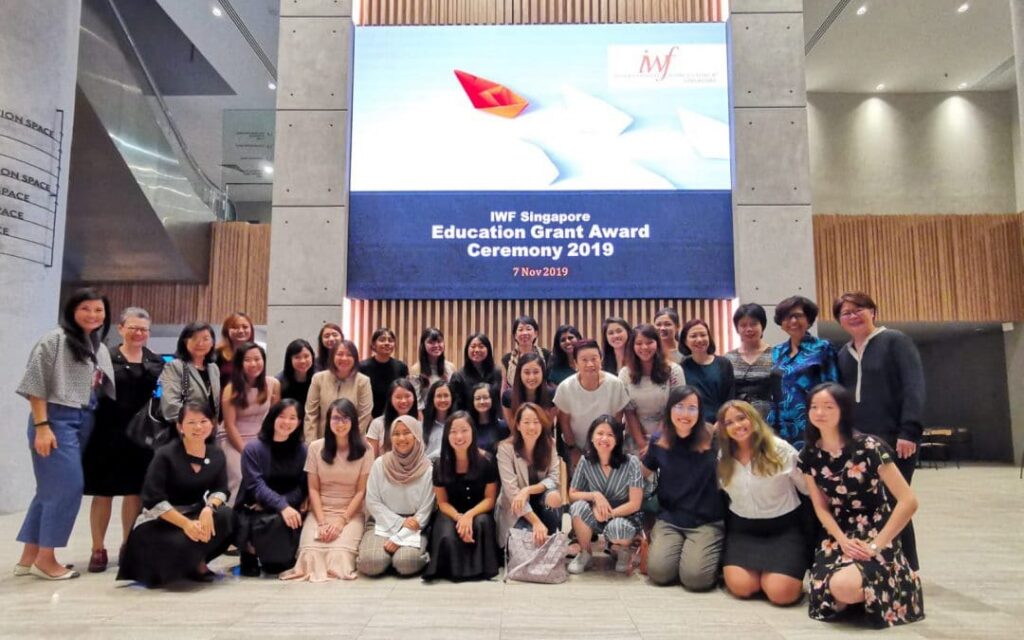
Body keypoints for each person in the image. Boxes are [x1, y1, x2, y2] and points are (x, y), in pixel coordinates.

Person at [798, 383, 924, 627]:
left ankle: (895, 578)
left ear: (843, 410)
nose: (819, 413)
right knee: (829, 596)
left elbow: (909, 501)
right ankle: (866, 593)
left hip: (877, 529)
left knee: (844, 588)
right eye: (814, 407)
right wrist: (842, 540)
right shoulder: (809, 455)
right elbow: (821, 507)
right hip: (839, 533)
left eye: (828, 406)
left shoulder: (869, 447)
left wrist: (876, 545)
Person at [14, 288, 115, 580]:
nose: (93, 315)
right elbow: (35, 385)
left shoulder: (96, 344)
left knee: (49, 490)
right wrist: (42, 426)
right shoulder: (54, 340)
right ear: (72, 310)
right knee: (68, 488)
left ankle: (29, 557)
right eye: (86, 308)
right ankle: (47, 559)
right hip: (55, 419)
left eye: (98, 310)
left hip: (84, 418)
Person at [833, 291, 926, 571]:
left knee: (896, 502)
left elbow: (914, 387)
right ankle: (877, 562)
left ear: (873, 311)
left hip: (895, 439)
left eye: (858, 309)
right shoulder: (843, 354)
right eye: (845, 312)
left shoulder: (895, 341)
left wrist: (909, 430)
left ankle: (906, 566)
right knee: (870, 502)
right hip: (858, 441)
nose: (852, 315)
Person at [82, 307, 164, 573]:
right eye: (133, 327)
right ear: (121, 329)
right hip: (106, 434)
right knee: (103, 493)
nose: (138, 333)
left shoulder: (156, 362)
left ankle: (129, 544)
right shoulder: (105, 357)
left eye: (144, 329)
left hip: (141, 437)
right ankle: (98, 548)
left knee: (134, 492)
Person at [117, 402, 234, 587]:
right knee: (184, 539)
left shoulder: (216, 454)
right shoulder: (165, 455)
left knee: (227, 517)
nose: (198, 427)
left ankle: (198, 562)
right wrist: (186, 524)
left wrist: (209, 509)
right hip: (158, 521)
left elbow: (221, 489)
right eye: (191, 422)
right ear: (180, 427)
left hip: (192, 513)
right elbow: (153, 499)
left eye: (203, 421)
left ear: (212, 424)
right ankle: (169, 568)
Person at [716, 400, 808, 605]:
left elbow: (806, 488)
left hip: (783, 527)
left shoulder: (781, 450)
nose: (737, 426)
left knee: (781, 593)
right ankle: (761, 577)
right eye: (729, 422)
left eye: (741, 418)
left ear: (754, 419)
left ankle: (776, 577)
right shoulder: (724, 456)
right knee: (742, 588)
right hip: (744, 528)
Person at [642, 386, 724, 591]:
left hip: (706, 520)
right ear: (670, 409)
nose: (685, 414)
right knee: (659, 574)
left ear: (700, 411)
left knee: (696, 580)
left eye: (692, 408)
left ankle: (709, 555)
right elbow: (640, 474)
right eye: (679, 407)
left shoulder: (714, 438)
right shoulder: (659, 440)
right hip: (670, 519)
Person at [281, 399, 372, 581]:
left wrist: (341, 521)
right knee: (309, 555)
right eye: (336, 418)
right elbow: (313, 489)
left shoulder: (366, 449)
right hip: (320, 511)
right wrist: (322, 522)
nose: (340, 424)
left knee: (339, 556)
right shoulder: (315, 448)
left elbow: (361, 492)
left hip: (350, 513)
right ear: (328, 421)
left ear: (353, 421)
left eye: (345, 419)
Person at [422, 412, 500, 582]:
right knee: (445, 532)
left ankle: (481, 570)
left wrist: (469, 515)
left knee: (482, 523)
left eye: (464, 430)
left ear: (472, 432)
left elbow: (490, 500)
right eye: (453, 431)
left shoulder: (487, 461)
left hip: (479, 511)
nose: (459, 436)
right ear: (446, 435)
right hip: (450, 512)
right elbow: (442, 502)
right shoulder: (440, 464)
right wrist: (459, 517)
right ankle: (451, 570)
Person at [235, 399, 308, 577]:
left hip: (288, 510)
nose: (287, 422)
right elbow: (255, 485)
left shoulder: (303, 450)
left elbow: (302, 486)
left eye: (293, 418)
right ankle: (249, 551)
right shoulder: (253, 448)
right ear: (272, 418)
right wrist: (281, 506)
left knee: (278, 566)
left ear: (299, 422)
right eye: (282, 416)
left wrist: (283, 506)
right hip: (254, 507)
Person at [358, 415, 435, 577]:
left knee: (406, 563)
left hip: (415, 526)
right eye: (396, 434)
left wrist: (400, 536)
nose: (401, 438)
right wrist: (399, 522)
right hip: (381, 522)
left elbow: (425, 511)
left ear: (416, 435)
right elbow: (372, 502)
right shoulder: (380, 464)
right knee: (371, 563)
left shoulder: (428, 469)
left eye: (407, 433)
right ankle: (386, 558)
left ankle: (399, 556)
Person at [567, 416, 643, 574]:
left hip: (623, 515)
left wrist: (609, 514)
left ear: (617, 439)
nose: (604, 438)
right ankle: (585, 553)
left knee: (618, 529)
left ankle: (621, 552)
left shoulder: (631, 462)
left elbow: (635, 503)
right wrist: (595, 495)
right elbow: (572, 494)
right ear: (591, 437)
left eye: (610, 434)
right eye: (599, 433)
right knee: (577, 507)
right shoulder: (585, 461)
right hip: (595, 513)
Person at [770, 296, 838, 446]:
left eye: (798, 316)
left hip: (813, 423)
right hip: (781, 425)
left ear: (809, 320)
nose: (793, 321)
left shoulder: (823, 348)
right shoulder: (777, 351)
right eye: (788, 317)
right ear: (781, 323)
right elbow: (774, 390)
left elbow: (833, 388)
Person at [221, 342, 281, 504]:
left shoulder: (273, 384)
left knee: (271, 477)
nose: (254, 364)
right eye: (247, 360)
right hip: (235, 440)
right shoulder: (231, 389)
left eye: (257, 359)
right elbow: (229, 425)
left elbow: (275, 419)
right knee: (241, 477)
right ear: (240, 363)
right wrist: (247, 452)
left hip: (262, 439)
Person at [554, 340, 630, 468]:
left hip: (608, 445)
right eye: (584, 360)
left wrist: (610, 448)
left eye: (594, 359)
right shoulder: (565, 387)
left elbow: (617, 420)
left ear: (601, 360)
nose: (590, 364)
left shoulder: (615, 384)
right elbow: (564, 422)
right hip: (577, 446)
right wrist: (573, 449)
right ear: (575, 363)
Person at [496, 403, 562, 546]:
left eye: (536, 422)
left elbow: (554, 478)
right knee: (530, 540)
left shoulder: (550, 444)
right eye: (526, 422)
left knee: (554, 496)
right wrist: (536, 523)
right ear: (518, 426)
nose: (532, 427)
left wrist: (528, 490)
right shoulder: (505, 448)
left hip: (540, 501)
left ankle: (552, 537)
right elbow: (511, 492)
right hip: (516, 508)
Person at [620, 323, 685, 454]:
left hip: (667, 436)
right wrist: (643, 445)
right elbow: (629, 412)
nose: (644, 347)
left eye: (649, 342)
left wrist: (655, 442)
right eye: (638, 343)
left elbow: (674, 407)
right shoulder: (625, 374)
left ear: (658, 344)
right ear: (632, 346)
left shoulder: (674, 371)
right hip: (635, 439)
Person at [304, 340, 372, 441]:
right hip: (322, 440)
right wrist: (311, 443)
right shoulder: (318, 378)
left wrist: (349, 441)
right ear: (332, 357)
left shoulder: (363, 381)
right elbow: (311, 414)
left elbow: (364, 415)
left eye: (349, 355)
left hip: (353, 442)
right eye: (340, 354)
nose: (344, 358)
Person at [159, 322, 221, 423]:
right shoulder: (175, 366)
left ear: (212, 343)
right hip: (184, 430)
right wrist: (195, 424)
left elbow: (215, 406)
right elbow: (170, 407)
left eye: (205, 339)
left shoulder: (213, 368)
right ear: (185, 341)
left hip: (209, 431)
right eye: (194, 338)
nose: (200, 343)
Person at [723, 303, 776, 420]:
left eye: (754, 324)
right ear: (737, 329)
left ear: (763, 326)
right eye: (743, 325)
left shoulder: (776, 355)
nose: (749, 329)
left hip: (768, 418)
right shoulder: (727, 359)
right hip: (737, 418)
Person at [680, 319, 734, 425]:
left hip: (722, 424)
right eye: (693, 336)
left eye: (703, 335)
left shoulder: (724, 363)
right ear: (685, 341)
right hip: (693, 425)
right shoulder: (681, 367)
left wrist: (721, 422)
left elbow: (730, 397)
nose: (699, 339)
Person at [359, 327, 409, 418]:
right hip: (369, 417)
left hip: (395, 416)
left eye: (390, 340)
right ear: (373, 345)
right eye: (382, 340)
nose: (387, 343)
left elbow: (404, 394)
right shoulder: (362, 367)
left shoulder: (401, 367)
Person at [501, 351, 556, 429]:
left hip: (544, 438)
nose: (531, 377)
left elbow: (548, 427)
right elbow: (512, 428)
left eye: (536, 372)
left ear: (543, 373)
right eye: (526, 372)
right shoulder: (508, 396)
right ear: (519, 374)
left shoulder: (552, 394)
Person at [366, 378, 418, 457]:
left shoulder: (419, 424)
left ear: (414, 398)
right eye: (398, 397)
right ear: (390, 399)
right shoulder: (378, 424)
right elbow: (370, 459)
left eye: (407, 396)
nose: (403, 401)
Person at [408, 327, 456, 412]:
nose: (436, 345)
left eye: (439, 341)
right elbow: (417, 401)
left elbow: (454, 395)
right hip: (426, 415)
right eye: (431, 342)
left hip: (448, 413)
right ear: (423, 345)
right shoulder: (416, 369)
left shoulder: (450, 367)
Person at [449, 332, 502, 409]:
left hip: (494, 419)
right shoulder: (458, 376)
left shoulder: (498, 373)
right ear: (467, 350)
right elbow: (455, 406)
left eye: (481, 346)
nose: (477, 350)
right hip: (468, 419)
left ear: (488, 349)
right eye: (473, 346)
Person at [500, 315, 550, 391]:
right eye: (520, 330)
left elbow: (550, 384)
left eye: (528, 329)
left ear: (535, 333)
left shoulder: (547, 355)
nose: (525, 333)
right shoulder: (506, 359)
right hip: (515, 399)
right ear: (515, 335)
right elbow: (503, 388)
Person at [214, 312, 255, 391]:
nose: (240, 331)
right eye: (235, 327)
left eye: (245, 327)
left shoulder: (256, 353)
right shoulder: (217, 354)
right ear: (226, 330)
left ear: (251, 330)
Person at [469, 383, 509, 456]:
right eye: (477, 398)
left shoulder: (504, 427)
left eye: (485, 397)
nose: (482, 402)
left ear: (492, 399)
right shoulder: (468, 428)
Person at [421, 380, 455, 460]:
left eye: (446, 395)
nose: (443, 400)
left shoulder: (457, 424)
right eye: (439, 396)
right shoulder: (422, 425)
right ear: (432, 398)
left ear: (452, 398)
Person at [277, 338, 315, 407]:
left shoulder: (318, 378)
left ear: (312, 356)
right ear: (289, 360)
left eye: (306, 356)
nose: (303, 361)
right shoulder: (280, 381)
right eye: (297, 357)